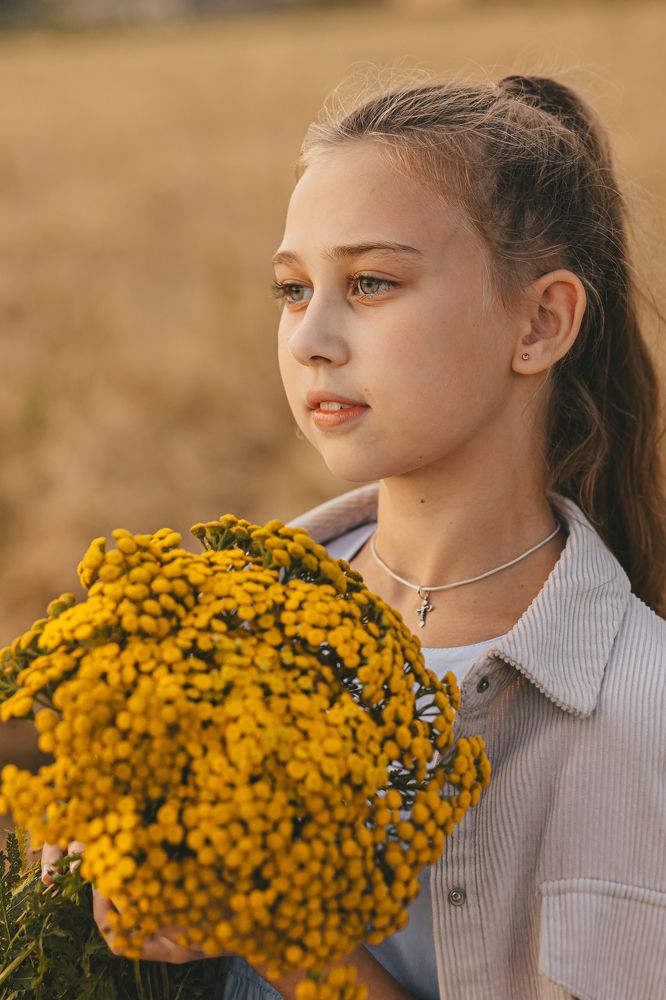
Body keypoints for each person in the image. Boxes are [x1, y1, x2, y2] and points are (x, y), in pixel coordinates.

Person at [44, 71, 666, 999]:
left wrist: (278, 929)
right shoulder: (203, 628)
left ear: (541, 322)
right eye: (293, 290)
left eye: (372, 282)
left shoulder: (640, 718)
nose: (310, 339)